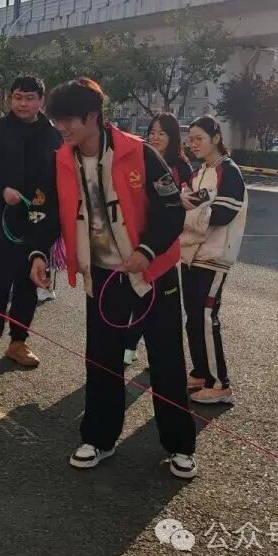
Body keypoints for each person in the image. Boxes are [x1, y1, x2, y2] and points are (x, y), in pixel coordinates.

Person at [29, 78, 199, 478]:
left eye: (67, 120)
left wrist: (147, 251)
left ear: (92, 116)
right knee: (102, 359)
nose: (60, 128)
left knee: (166, 358)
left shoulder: (139, 153)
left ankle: (180, 446)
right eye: (56, 120)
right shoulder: (60, 159)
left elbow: (172, 209)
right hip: (102, 274)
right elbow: (46, 212)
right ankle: (99, 439)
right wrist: (38, 254)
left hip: (153, 272)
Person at [0, 76, 61, 376]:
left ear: (41, 101)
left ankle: (18, 342)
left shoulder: (52, 135)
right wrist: (1, 188)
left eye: (29, 98)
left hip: (38, 220)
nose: (23, 103)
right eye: (18, 97)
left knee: (29, 283)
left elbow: (59, 178)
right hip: (3, 217)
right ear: (10, 99)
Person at [179, 116, 247, 406]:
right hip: (190, 255)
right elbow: (185, 203)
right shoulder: (199, 172)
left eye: (199, 138)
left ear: (216, 138)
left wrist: (187, 212)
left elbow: (222, 215)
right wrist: (190, 209)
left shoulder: (228, 171)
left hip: (214, 256)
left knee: (206, 317)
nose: (193, 144)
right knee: (193, 317)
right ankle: (201, 372)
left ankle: (220, 385)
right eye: (190, 139)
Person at [124, 113, 194, 367]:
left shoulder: (182, 167)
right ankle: (130, 345)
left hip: (164, 245)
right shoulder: (140, 159)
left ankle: (144, 351)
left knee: (158, 304)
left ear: (173, 137)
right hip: (139, 241)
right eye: (152, 132)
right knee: (139, 297)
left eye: (161, 133)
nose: (155, 137)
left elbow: (180, 207)